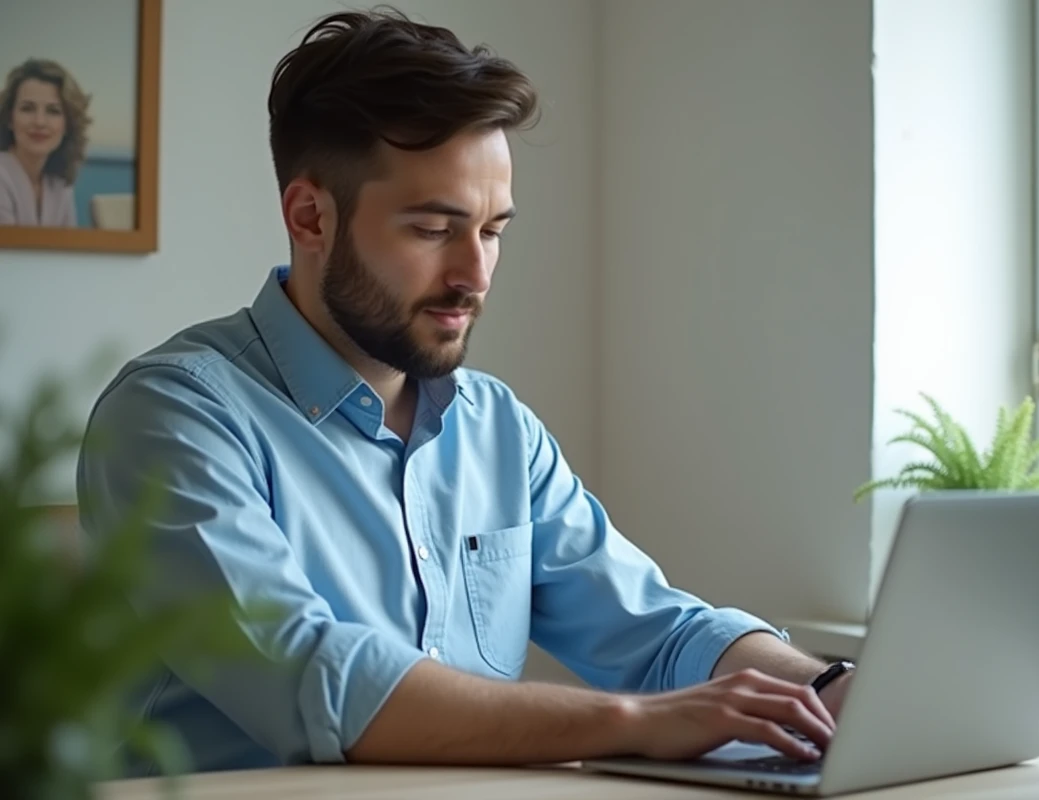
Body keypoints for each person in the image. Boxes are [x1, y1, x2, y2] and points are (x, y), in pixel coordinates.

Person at [77, 8, 853, 777]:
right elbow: (318, 681)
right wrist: (634, 722)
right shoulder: (172, 418)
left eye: (491, 231)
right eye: (432, 229)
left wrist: (831, 692)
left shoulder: (497, 429)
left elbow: (658, 630)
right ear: (311, 216)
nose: (474, 277)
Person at [0, 58, 90, 227]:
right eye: (27, 108)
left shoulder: (60, 184)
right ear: (9, 119)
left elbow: (69, 251)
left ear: (67, 125)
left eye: (53, 111)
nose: (40, 122)